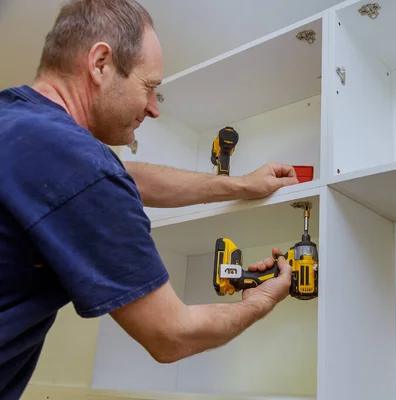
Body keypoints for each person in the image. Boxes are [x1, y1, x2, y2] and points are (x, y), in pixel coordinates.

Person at [0, 0, 298, 398]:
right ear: (101, 63)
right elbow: (172, 336)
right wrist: (260, 301)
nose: (155, 109)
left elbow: (125, 179)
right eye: (150, 87)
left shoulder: (17, 122)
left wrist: (242, 185)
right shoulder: (80, 167)